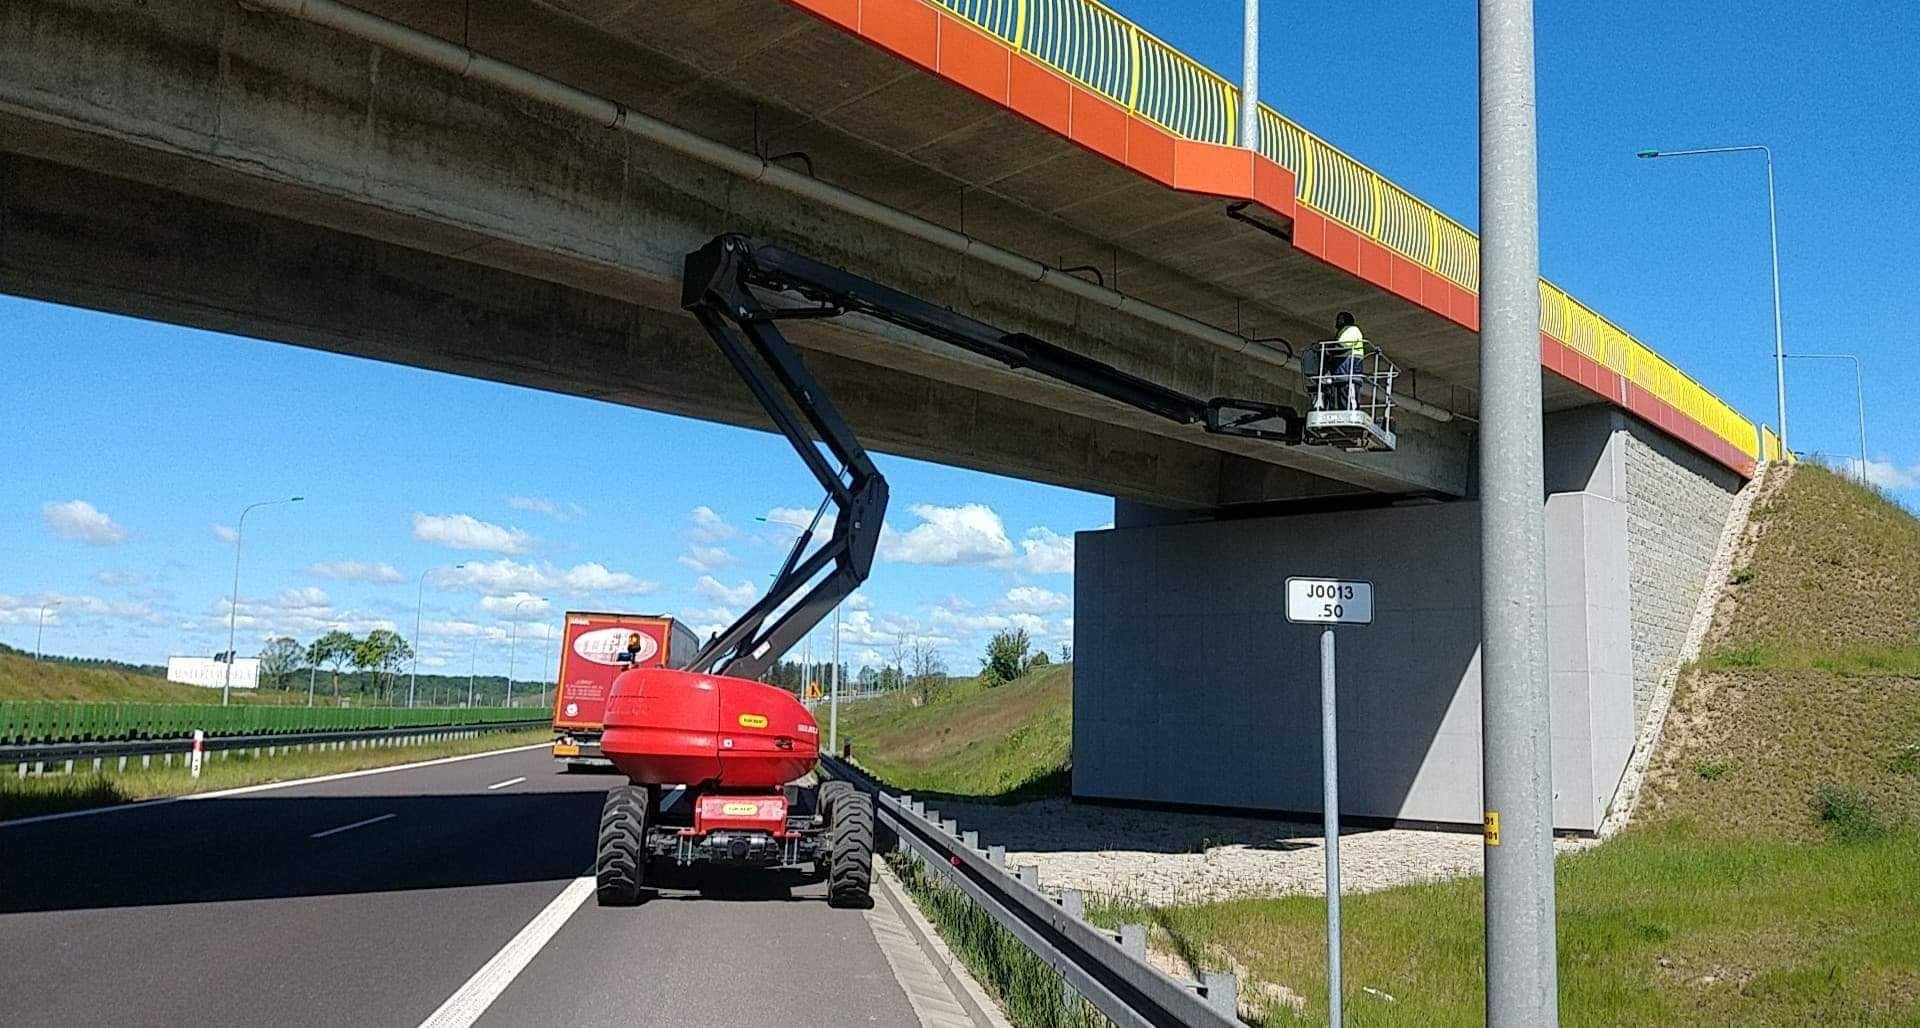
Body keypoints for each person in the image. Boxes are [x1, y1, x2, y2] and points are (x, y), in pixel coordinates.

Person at [1329, 311, 1366, 411]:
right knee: (1343, 397)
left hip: (1349, 370)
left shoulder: (1351, 330)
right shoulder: (1343, 332)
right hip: (1342, 372)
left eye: (1340, 318)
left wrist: (1328, 350)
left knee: (1349, 395)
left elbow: (1342, 346)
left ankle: (1352, 414)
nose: (1337, 321)